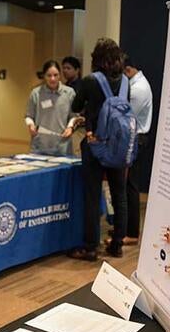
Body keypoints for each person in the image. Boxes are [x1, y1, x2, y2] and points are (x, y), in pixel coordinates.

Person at [68, 38, 129, 260]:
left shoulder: (90, 81)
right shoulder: (125, 82)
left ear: (96, 58)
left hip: (95, 144)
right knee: (119, 194)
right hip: (119, 145)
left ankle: (91, 246)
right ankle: (117, 244)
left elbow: (75, 106)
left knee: (92, 195)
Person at [118, 55, 152, 245]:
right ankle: (127, 229)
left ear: (128, 70)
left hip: (136, 139)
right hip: (136, 138)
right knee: (128, 186)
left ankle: (132, 233)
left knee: (130, 186)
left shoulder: (138, 89)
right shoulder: (138, 84)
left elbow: (125, 115)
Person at [24, 60, 77, 155]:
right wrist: (30, 125)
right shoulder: (36, 93)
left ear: (60, 75)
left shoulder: (69, 93)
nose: (52, 79)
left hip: (62, 145)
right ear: (44, 76)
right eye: (49, 75)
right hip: (40, 145)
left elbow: (73, 116)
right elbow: (29, 115)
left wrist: (70, 127)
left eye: (56, 75)